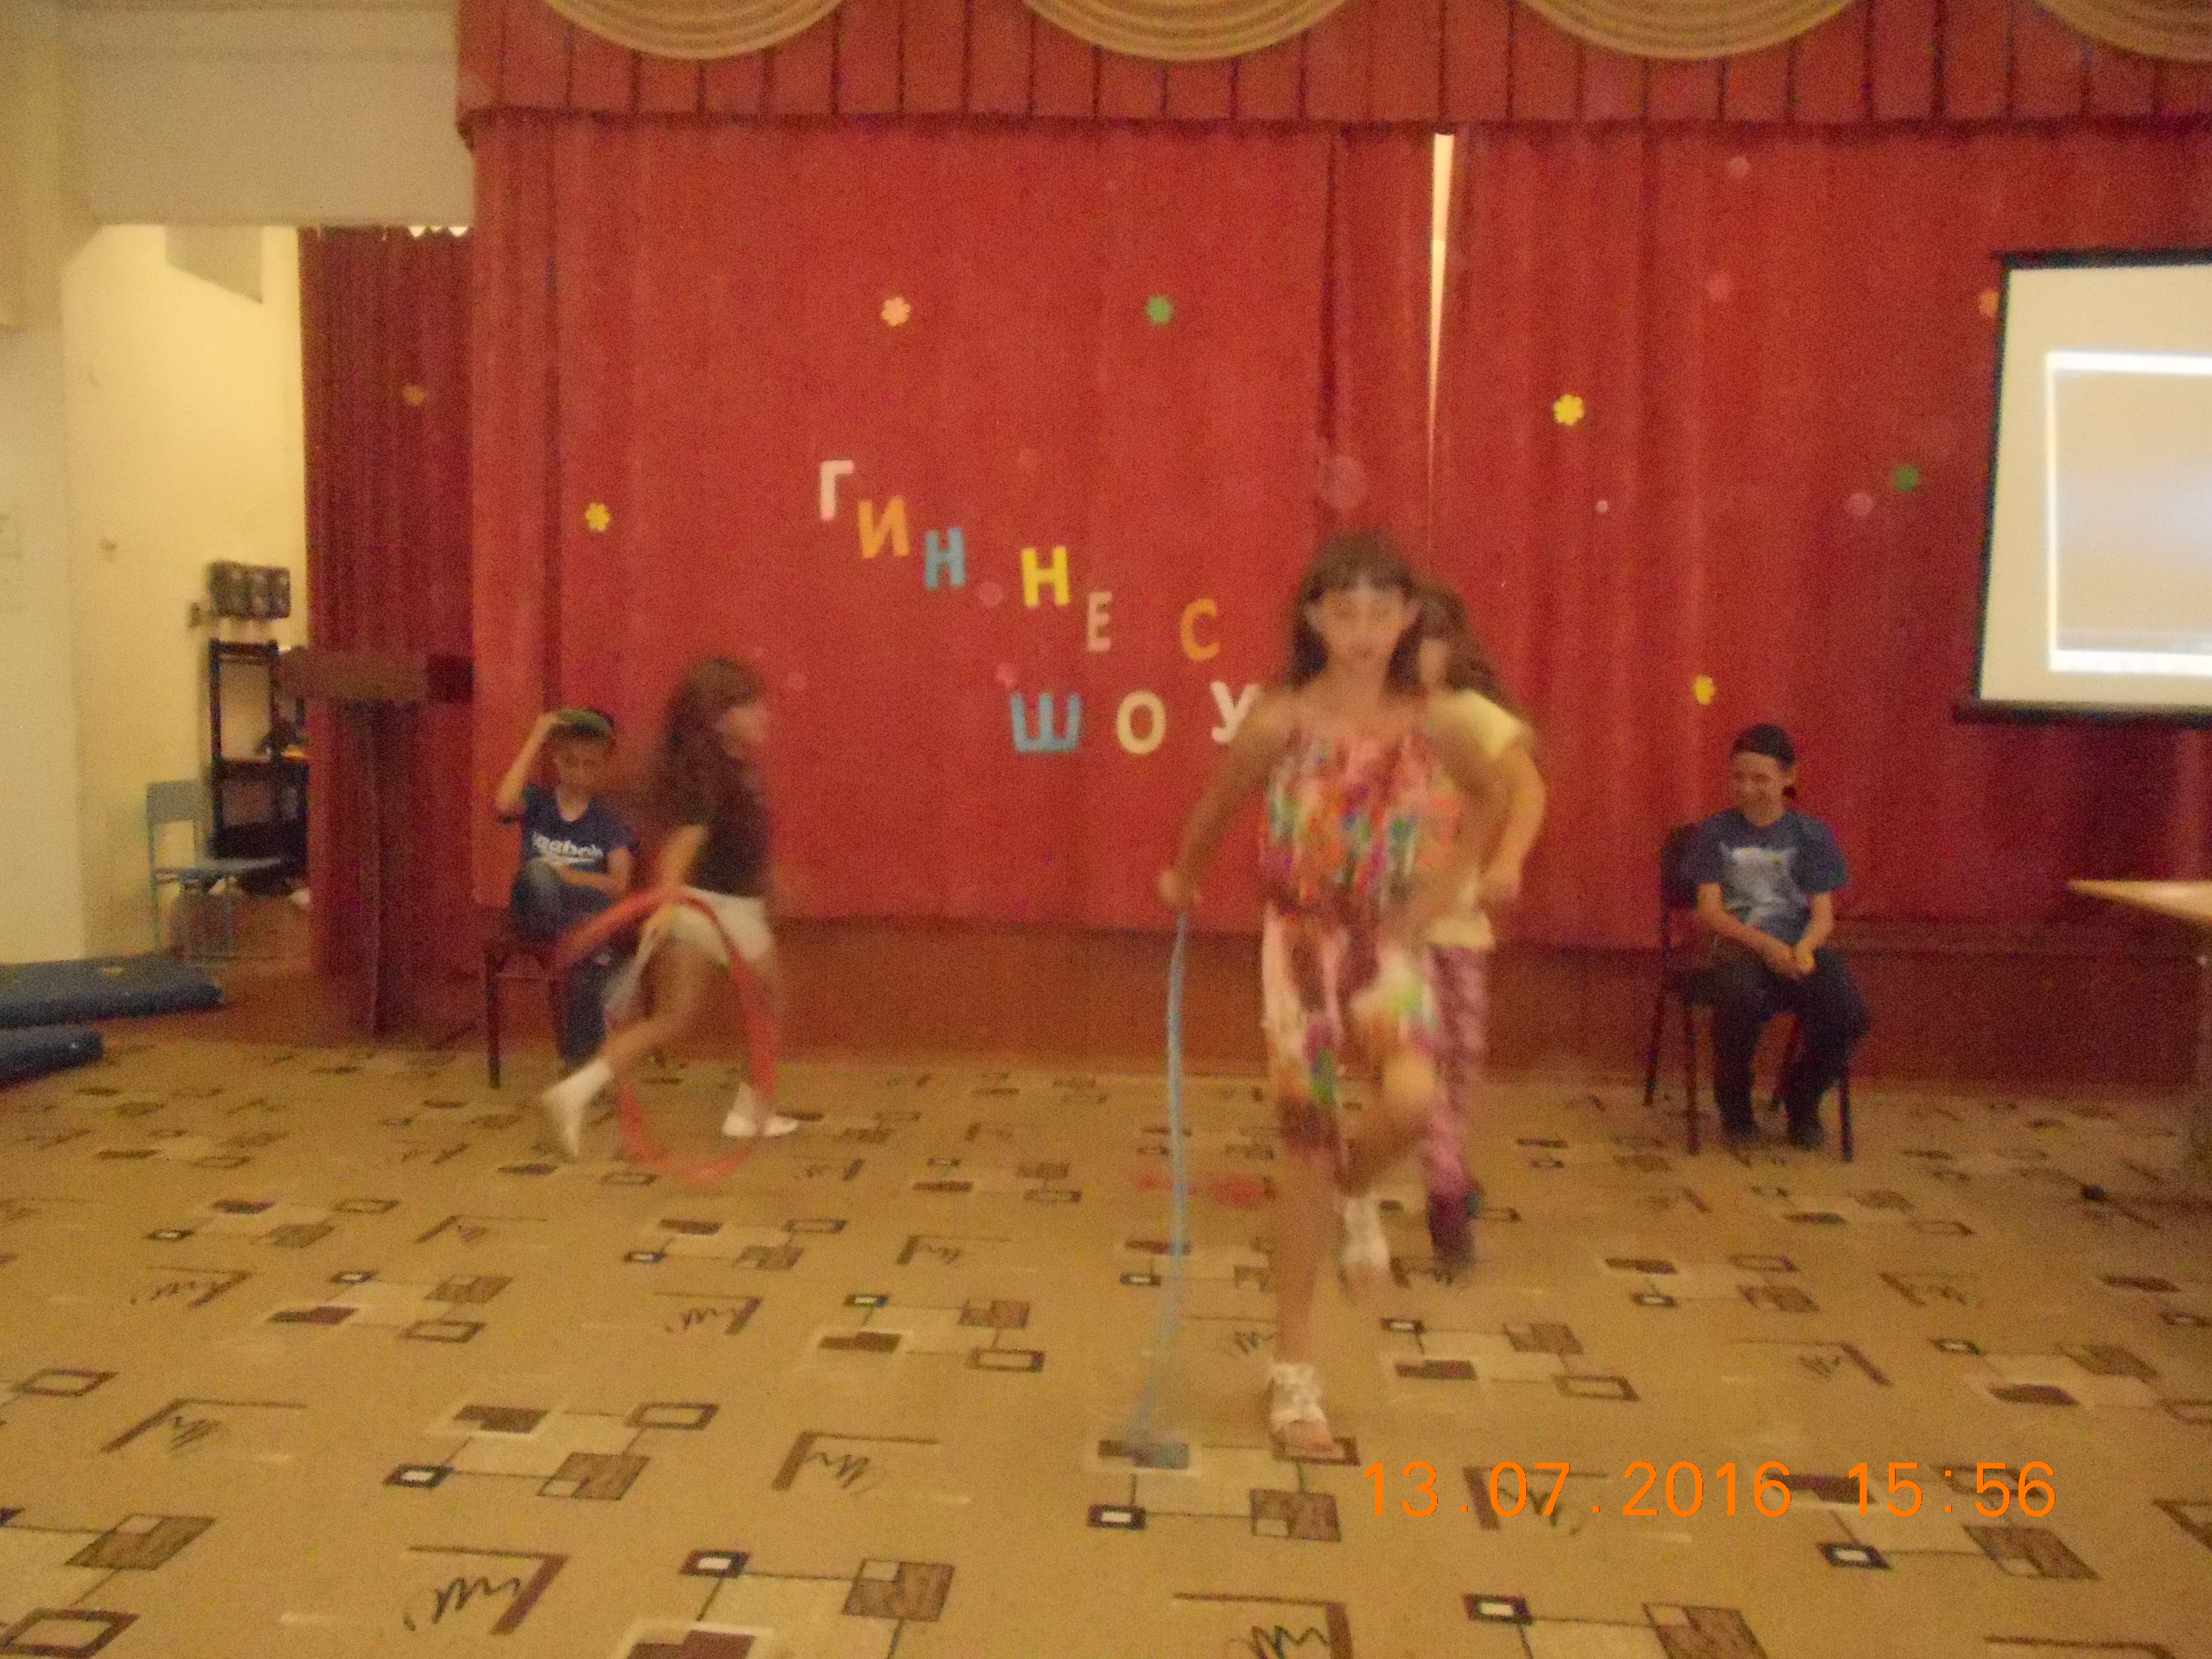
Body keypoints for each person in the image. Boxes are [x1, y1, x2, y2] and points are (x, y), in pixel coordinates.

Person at [1158, 530, 1504, 1455]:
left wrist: (1443, 890)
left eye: (1380, 612)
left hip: (1386, 940)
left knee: (1414, 1100)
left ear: (1408, 618)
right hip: (1300, 945)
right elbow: (1219, 803)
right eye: (1343, 611)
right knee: (1305, 1146)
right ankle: (1294, 1370)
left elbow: (1489, 798)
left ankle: (1356, 1191)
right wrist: (1184, 874)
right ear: (1314, 618)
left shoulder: (1436, 720)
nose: (1362, 630)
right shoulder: (1281, 719)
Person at [537, 659, 797, 1159]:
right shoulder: (712, 778)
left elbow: (740, 844)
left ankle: (575, 1091)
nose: (765, 714)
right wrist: (665, 901)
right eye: (751, 706)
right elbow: (682, 846)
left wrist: (769, 880)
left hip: (706, 909)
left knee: (675, 1017)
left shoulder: (730, 770)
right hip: (721, 911)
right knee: (773, 1003)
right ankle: (751, 1112)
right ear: (721, 718)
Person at [1414, 582, 1546, 1268]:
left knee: (1463, 1054)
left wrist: (1509, 860)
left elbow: (1528, 790)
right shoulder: (1374, 715)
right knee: (1417, 1061)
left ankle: (1451, 1164)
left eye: (1427, 643)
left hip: (1460, 923)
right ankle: (1444, 1189)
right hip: (1393, 927)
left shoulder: (1471, 715)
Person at [1683, 723, 1869, 1150]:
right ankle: (1735, 1103)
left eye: (1760, 779)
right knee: (1739, 999)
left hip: (1796, 949)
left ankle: (1802, 1097)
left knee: (1849, 1015)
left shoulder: (1812, 836)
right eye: (1739, 777)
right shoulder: (1715, 834)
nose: (1747, 788)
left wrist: (1803, 949)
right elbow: (1711, 912)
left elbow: (1823, 915)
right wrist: (1767, 946)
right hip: (1739, 950)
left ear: (1789, 777)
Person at [493, 708, 635, 1069]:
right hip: (537, 908)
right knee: (539, 875)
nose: (580, 773)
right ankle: (582, 943)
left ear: (602, 767)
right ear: (556, 761)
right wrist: (537, 736)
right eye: (571, 762)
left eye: (590, 765)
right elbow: (504, 804)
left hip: (582, 914)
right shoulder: (539, 803)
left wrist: (572, 877)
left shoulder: (608, 821)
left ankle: (578, 1062)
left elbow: (619, 885)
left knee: (589, 949)